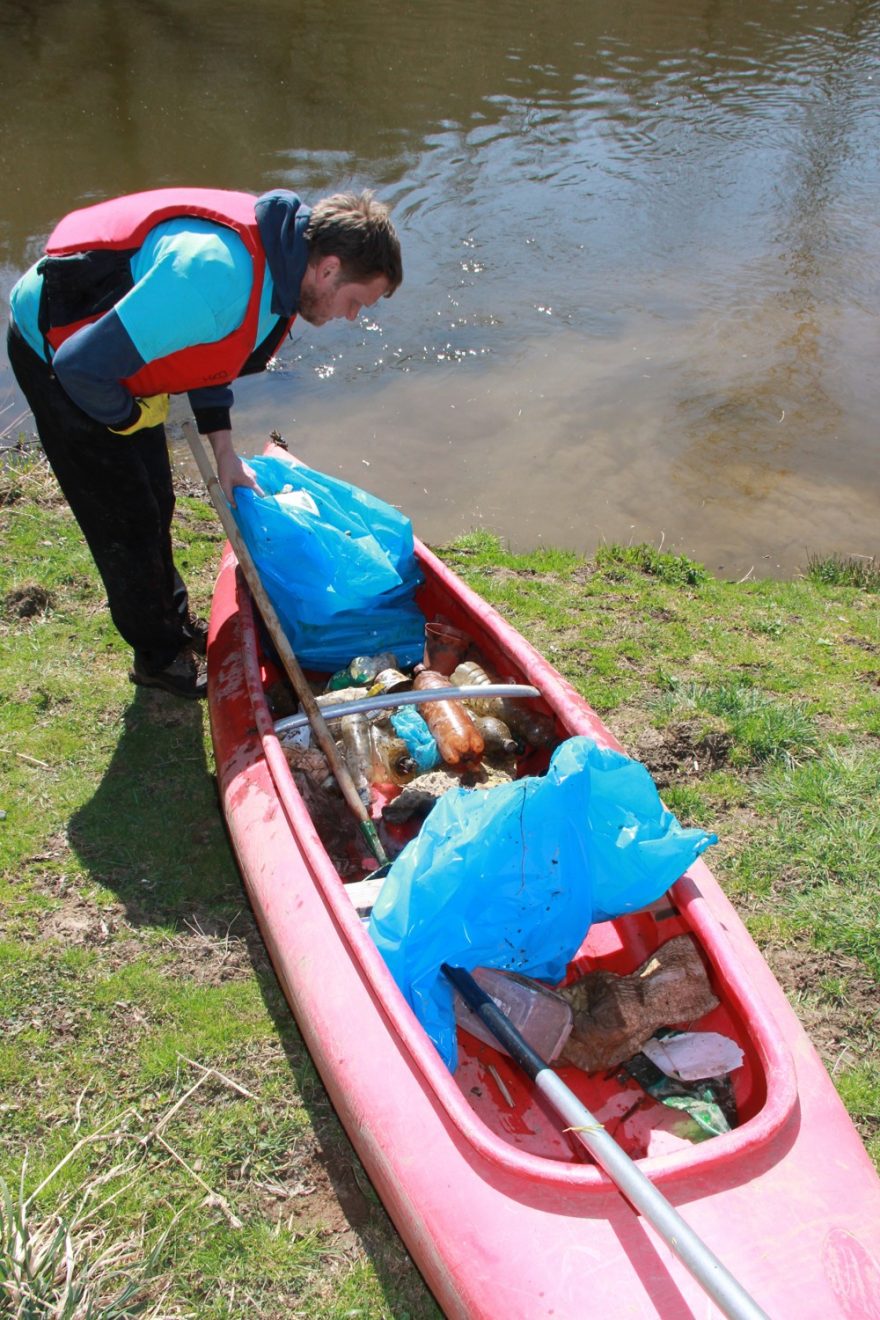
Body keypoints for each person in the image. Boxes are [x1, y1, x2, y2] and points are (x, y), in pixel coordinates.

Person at [6, 186, 403, 698]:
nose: (351, 317)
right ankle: (157, 658)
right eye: (356, 302)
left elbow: (211, 354)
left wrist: (224, 452)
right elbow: (79, 367)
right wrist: (130, 416)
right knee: (124, 516)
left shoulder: (285, 268)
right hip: (59, 351)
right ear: (328, 270)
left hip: (117, 352)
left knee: (158, 497)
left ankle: (171, 621)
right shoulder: (215, 278)